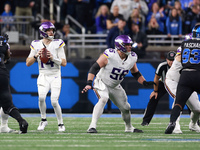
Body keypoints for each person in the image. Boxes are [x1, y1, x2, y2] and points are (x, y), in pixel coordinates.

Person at [82, 35, 155, 133]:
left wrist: (144, 82)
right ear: (120, 45)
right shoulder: (110, 55)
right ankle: (92, 126)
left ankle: (129, 128)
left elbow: (135, 72)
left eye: (130, 44)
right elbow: (94, 68)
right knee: (103, 99)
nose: (130, 46)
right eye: (127, 44)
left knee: (126, 107)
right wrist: (89, 83)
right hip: (101, 81)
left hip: (115, 85)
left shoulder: (132, 57)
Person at [26, 22, 67, 132]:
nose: (51, 32)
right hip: (43, 74)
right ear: (43, 32)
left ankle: (60, 123)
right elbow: (28, 63)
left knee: (54, 101)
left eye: (52, 30)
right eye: (49, 30)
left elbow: (64, 63)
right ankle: (43, 120)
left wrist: (53, 58)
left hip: (55, 75)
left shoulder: (58, 43)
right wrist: (35, 55)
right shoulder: (36, 44)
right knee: (41, 98)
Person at [165, 24, 200, 134]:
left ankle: (193, 125)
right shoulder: (188, 49)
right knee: (178, 99)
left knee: (197, 109)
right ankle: (175, 125)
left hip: (185, 79)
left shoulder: (185, 45)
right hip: (173, 80)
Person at [0, 34, 28, 134]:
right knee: (7, 104)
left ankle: (3, 126)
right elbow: (8, 58)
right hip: (1, 73)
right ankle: (21, 121)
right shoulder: (4, 42)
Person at [141, 51, 176, 126]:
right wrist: (155, 91)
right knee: (153, 98)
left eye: (173, 60)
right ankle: (145, 121)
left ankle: (195, 122)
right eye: (170, 60)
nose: (172, 62)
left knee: (187, 99)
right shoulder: (162, 65)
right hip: (163, 83)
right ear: (166, 59)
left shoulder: (180, 65)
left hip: (176, 84)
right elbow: (156, 78)